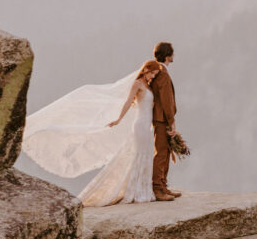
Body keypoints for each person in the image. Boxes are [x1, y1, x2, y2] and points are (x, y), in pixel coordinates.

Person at [21, 58, 167, 207]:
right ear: (146, 70)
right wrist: (118, 119)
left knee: (145, 155)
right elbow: (128, 102)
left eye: (155, 75)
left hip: (147, 125)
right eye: (152, 74)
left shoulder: (148, 86)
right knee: (138, 155)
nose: (153, 77)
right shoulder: (137, 84)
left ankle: (142, 189)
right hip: (140, 124)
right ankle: (136, 191)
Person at [149, 41, 181, 201]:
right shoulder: (163, 73)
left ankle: (163, 185)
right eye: (172, 53)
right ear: (168, 56)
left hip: (160, 117)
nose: (174, 56)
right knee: (161, 152)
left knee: (165, 151)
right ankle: (157, 188)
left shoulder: (158, 71)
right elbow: (166, 100)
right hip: (161, 118)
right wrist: (171, 121)